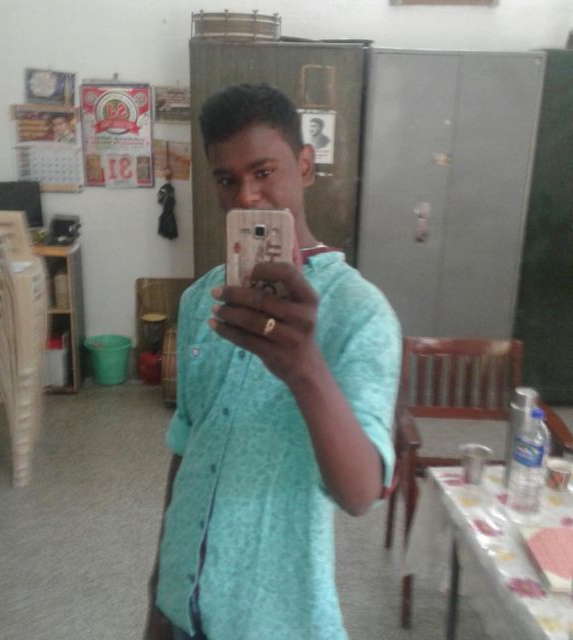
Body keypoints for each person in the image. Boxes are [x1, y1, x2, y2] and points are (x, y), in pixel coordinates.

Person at [144, 83, 401, 640]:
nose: (246, 196)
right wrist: (159, 590)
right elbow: (187, 447)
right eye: (226, 180)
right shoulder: (201, 301)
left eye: (264, 172)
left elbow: (360, 494)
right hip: (181, 609)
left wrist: (305, 367)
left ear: (305, 166)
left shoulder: (360, 313)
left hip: (278, 619)